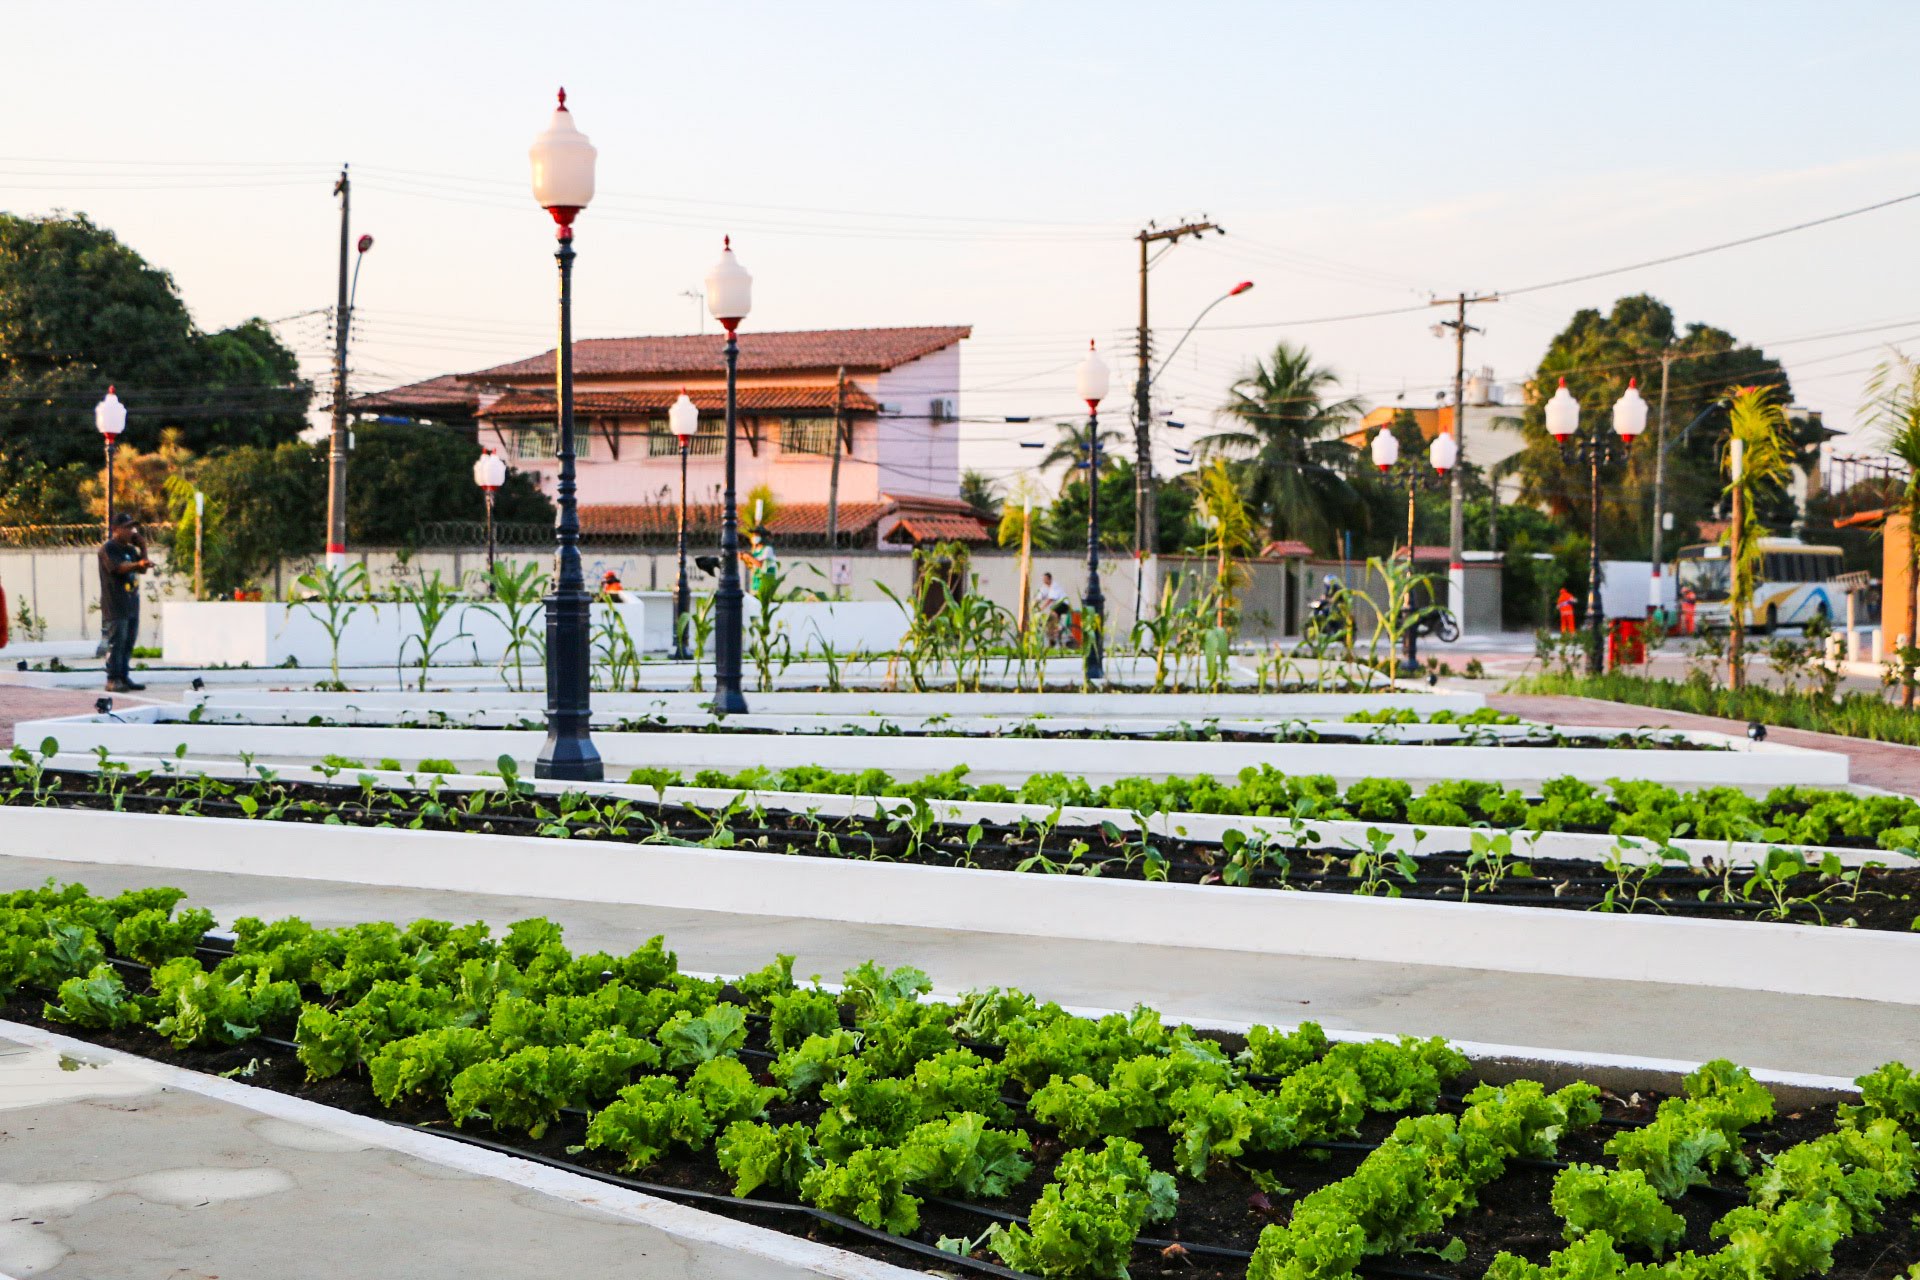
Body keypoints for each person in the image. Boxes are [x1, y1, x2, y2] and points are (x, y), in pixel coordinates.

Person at [99, 514, 152, 693]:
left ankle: (123, 676)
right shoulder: (108, 549)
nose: (131, 531)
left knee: (128, 642)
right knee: (116, 643)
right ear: (116, 529)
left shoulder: (130, 550)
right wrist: (138, 564)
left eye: (133, 528)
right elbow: (117, 568)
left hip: (131, 603)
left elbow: (143, 568)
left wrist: (143, 547)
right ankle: (112, 679)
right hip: (115, 604)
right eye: (128, 527)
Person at [1035, 572, 1069, 645]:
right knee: (1049, 621)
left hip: (1063, 604)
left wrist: (1042, 608)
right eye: (1043, 579)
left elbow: (1050, 599)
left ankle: (1057, 630)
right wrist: (1034, 603)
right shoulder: (1045, 587)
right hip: (1056, 606)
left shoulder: (1054, 586)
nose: (1044, 580)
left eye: (1045, 579)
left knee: (1052, 615)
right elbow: (1040, 595)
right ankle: (1056, 632)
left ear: (1049, 579)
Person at [744, 527, 778, 593]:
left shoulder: (767, 549)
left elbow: (760, 564)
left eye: (756, 535)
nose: (754, 537)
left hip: (765, 581)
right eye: (753, 535)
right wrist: (745, 558)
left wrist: (749, 557)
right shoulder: (756, 550)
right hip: (757, 581)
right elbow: (752, 565)